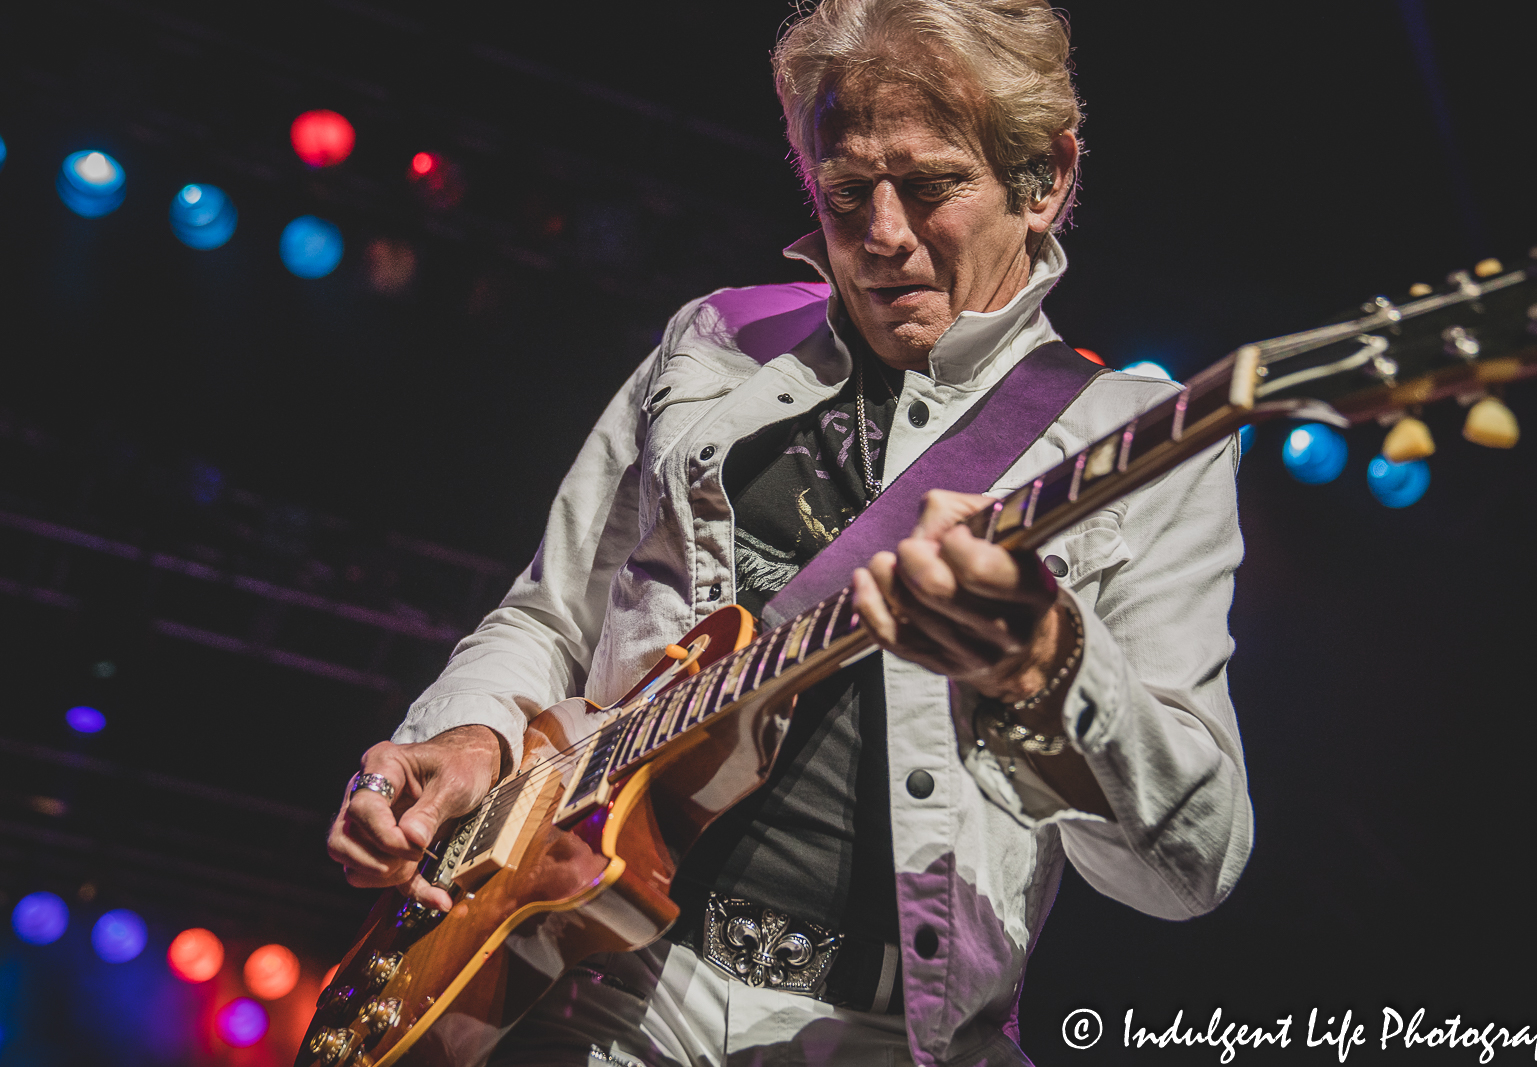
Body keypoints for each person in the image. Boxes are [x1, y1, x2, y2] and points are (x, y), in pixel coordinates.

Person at [327, 1, 1252, 1064]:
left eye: (932, 183)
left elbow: (1190, 866)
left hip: (884, 1033)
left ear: (1045, 177)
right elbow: (548, 614)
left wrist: (1049, 668)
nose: (881, 234)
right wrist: (468, 736)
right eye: (846, 190)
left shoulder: (1144, 442)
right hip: (597, 990)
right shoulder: (716, 343)